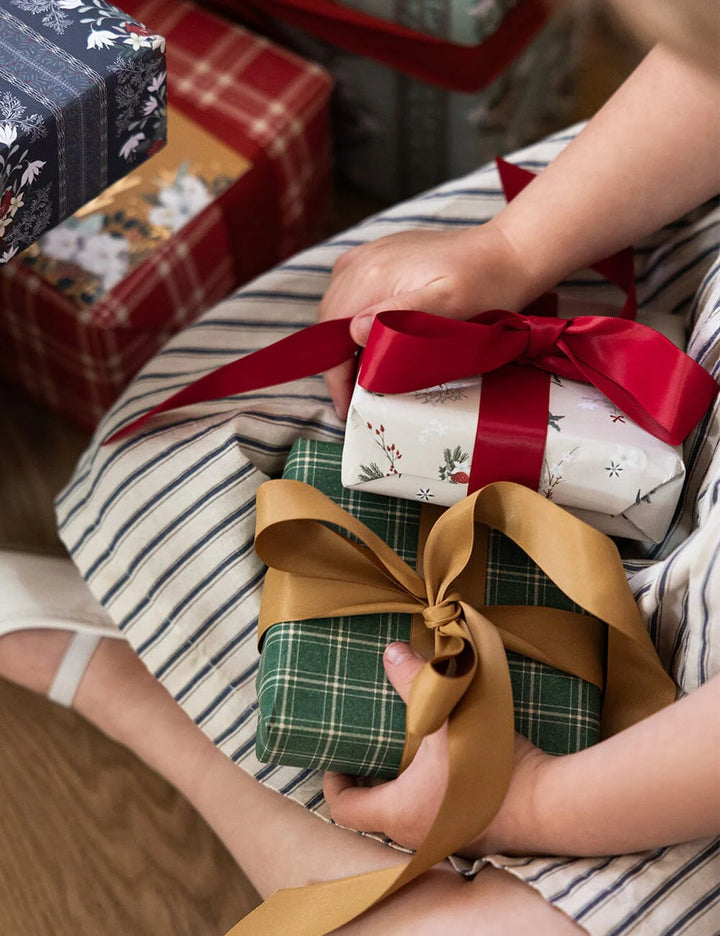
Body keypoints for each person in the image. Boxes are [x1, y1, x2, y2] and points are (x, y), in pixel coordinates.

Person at [1, 1, 719, 933]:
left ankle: (135, 696)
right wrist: (511, 249)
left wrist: (527, 804)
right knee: (179, 452)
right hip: (677, 318)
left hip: (674, 747)